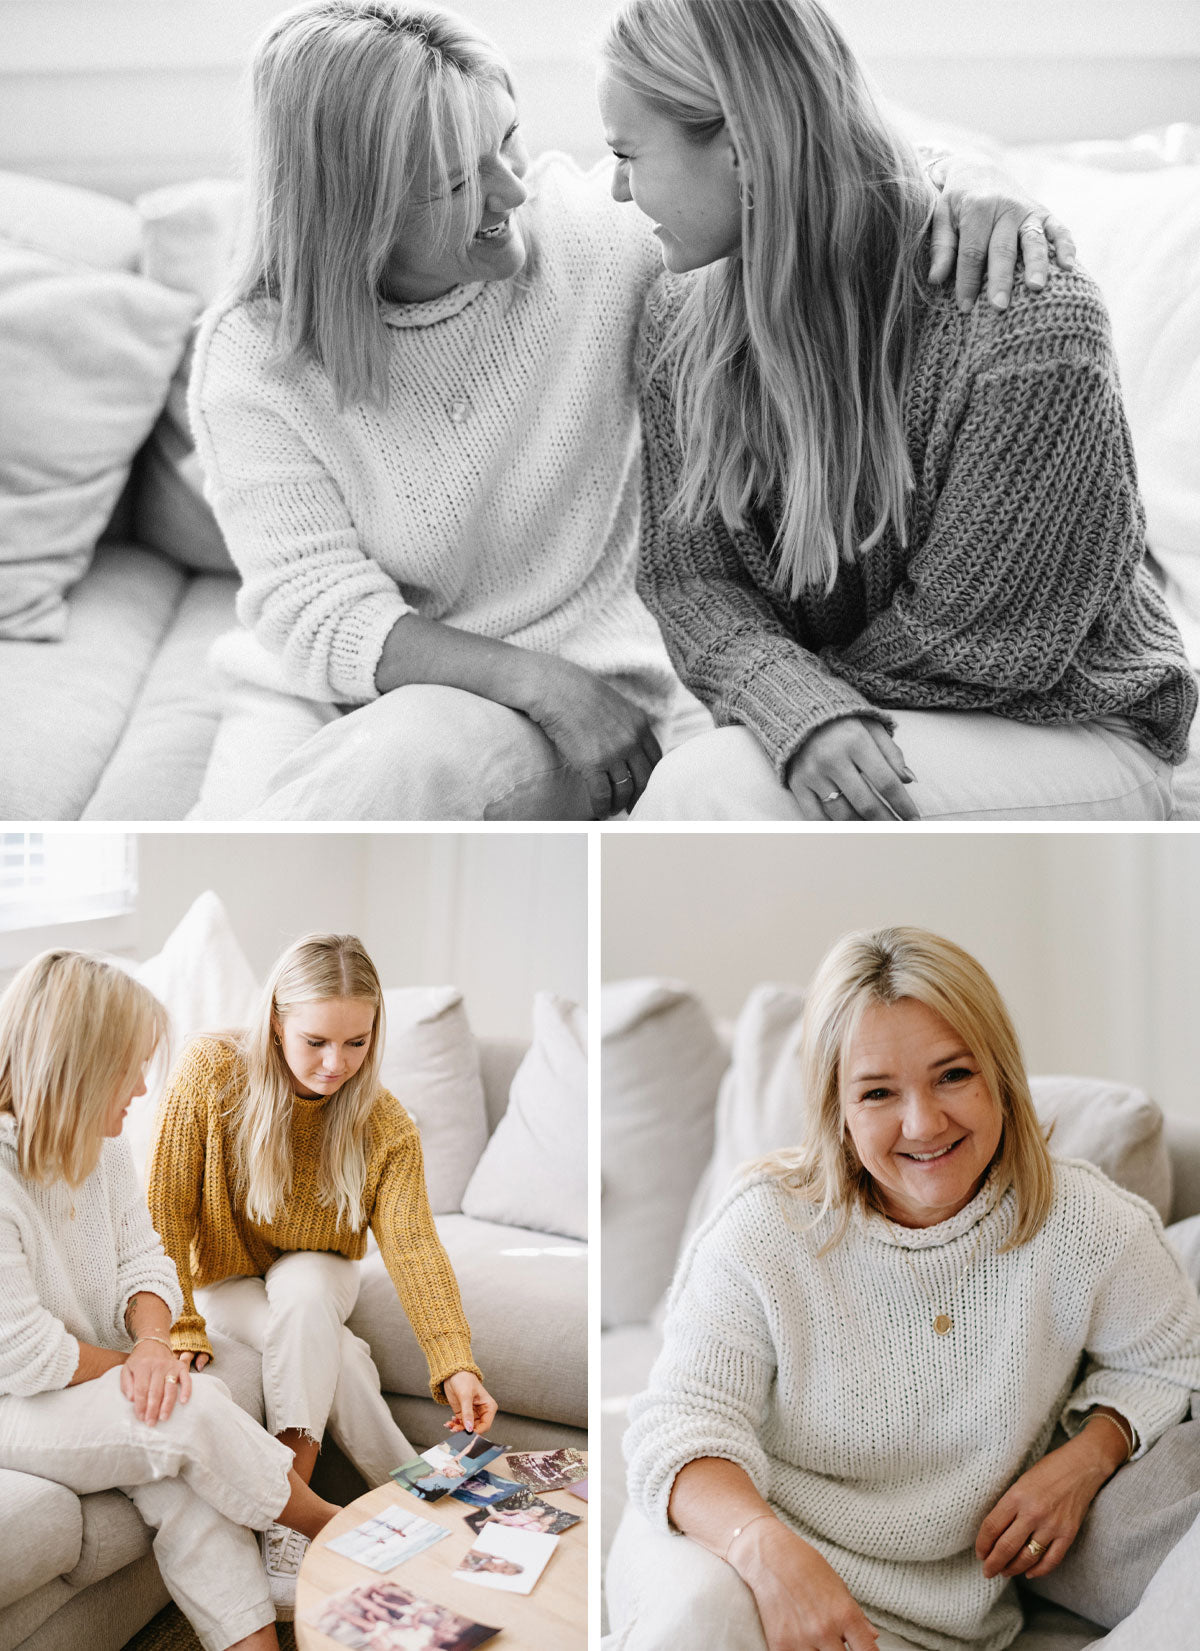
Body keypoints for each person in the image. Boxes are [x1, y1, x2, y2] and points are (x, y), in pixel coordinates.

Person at [188, 0, 1074, 822]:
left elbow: (802, 160)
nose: (512, 192)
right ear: (353, 209)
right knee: (239, 838)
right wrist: (539, 683)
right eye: (456, 179)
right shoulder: (255, 357)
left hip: (566, 696)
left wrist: (970, 181)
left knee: (401, 762)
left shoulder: (597, 243)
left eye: (509, 143)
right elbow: (316, 610)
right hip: (328, 684)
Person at [595, 0, 1198, 822]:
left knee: (712, 788)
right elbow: (693, 579)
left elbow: (987, 645)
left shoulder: (1025, 321)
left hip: (1064, 727)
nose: (619, 188)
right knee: (714, 779)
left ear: (741, 146)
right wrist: (788, 702)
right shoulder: (681, 314)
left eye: (628, 153)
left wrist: (794, 709)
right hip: (848, 712)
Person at [605, 926, 1200, 1651]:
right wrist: (765, 1548)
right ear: (838, 1107)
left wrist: (1086, 1456)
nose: (923, 1122)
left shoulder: (1086, 1226)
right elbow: (678, 1424)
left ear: (1000, 1075)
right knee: (695, 1627)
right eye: (879, 1091)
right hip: (730, 1549)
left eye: (953, 1074)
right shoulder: (763, 1227)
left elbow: (1171, 1356)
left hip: (934, 1621)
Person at [146, 931, 497, 1615]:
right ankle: (419, 1493)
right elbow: (166, 1205)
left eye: (356, 1042)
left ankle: (286, 1526)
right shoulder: (212, 1070)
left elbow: (415, 1247)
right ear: (276, 1019)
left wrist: (457, 1361)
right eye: (316, 1041)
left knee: (306, 1293)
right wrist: (178, 1316)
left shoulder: (383, 1122)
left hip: (323, 1269)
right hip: (228, 1280)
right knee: (335, 1352)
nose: (336, 1063)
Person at [0, 950, 341, 1651]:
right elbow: (24, 1354)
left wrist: (153, 1345)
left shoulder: (102, 1147)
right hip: (15, 1399)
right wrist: (142, 1370)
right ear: (80, 1066)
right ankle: (328, 1526)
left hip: (88, 1375)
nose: (142, 1084)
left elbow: (146, 1262)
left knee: (189, 1484)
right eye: (129, 1064)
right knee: (189, 1410)